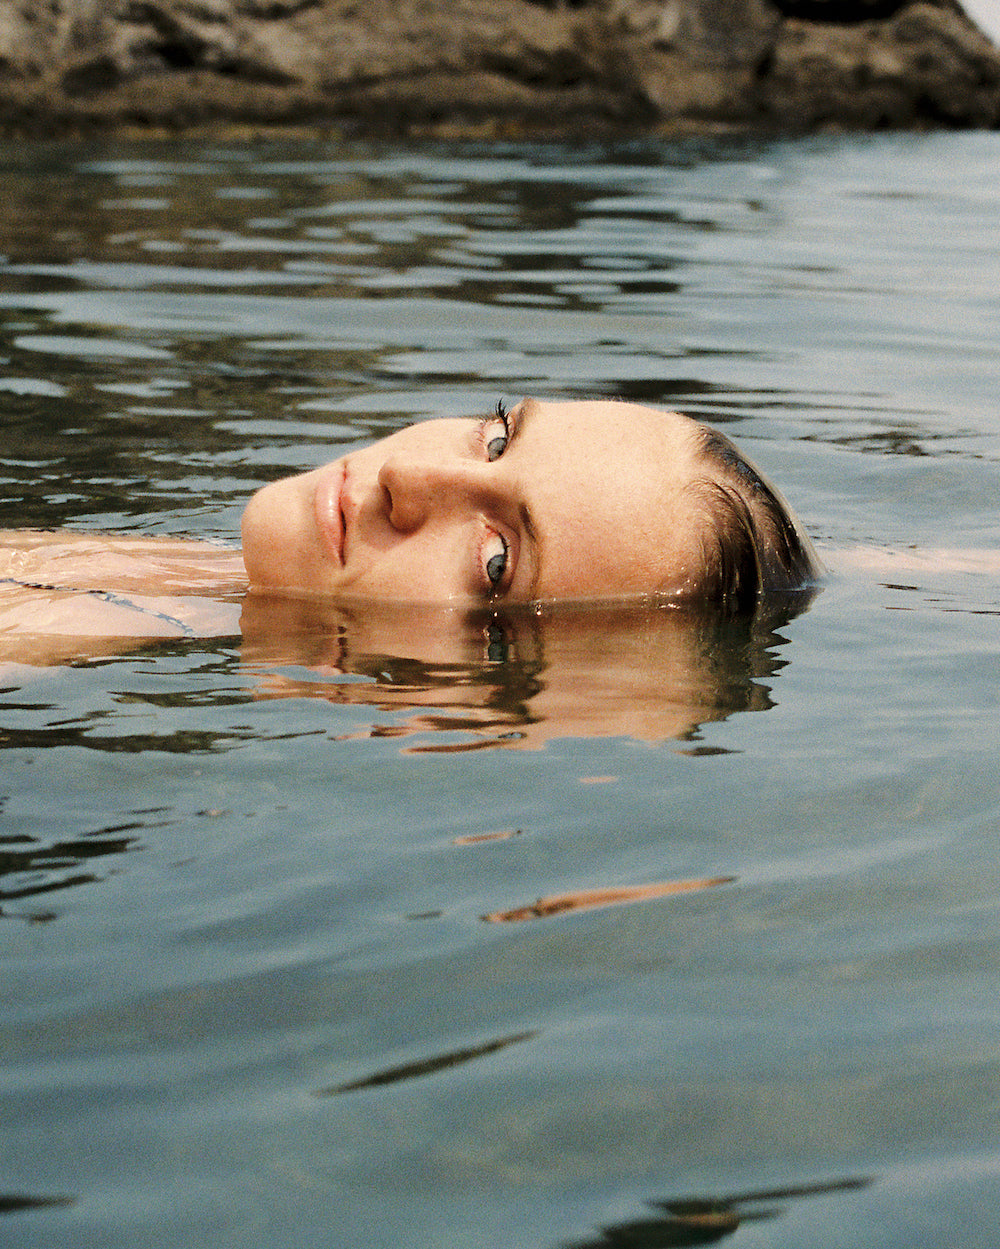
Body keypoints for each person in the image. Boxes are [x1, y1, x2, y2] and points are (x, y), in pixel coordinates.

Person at [1, 397, 821, 668]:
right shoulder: (195, 585)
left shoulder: (74, 626)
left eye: (497, 557)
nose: (408, 478)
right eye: (497, 435)